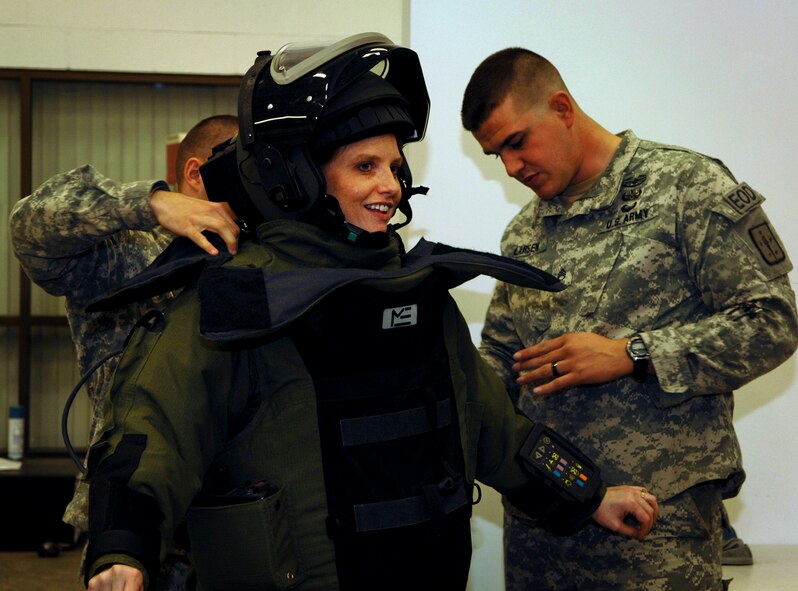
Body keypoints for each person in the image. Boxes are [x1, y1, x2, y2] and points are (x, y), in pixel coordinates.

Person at [83, 34, 659, 591]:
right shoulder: (242, 298)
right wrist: (122, 549)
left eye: (395, 164)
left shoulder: (414, 289)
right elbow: (152, 431)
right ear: (301, 180)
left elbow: (489, 425)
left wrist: (589, 496)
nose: (392, 185)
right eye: (365, 167)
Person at [460, 47, 798, 590]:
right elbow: (503, 357)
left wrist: (632, 354)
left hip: (656, 530)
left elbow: (772, 322)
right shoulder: (525, 232)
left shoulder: (686, 186)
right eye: (495, 154)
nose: (512, 167)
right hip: (544, 521)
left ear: (563, 108)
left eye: (517, 141)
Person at [8, 114, 240, 588]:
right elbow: (29, 226)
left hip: (240, 518)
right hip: (137, 518)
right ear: (196, 174)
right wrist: (149, 203)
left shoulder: (255, 258)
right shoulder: (125, 251)